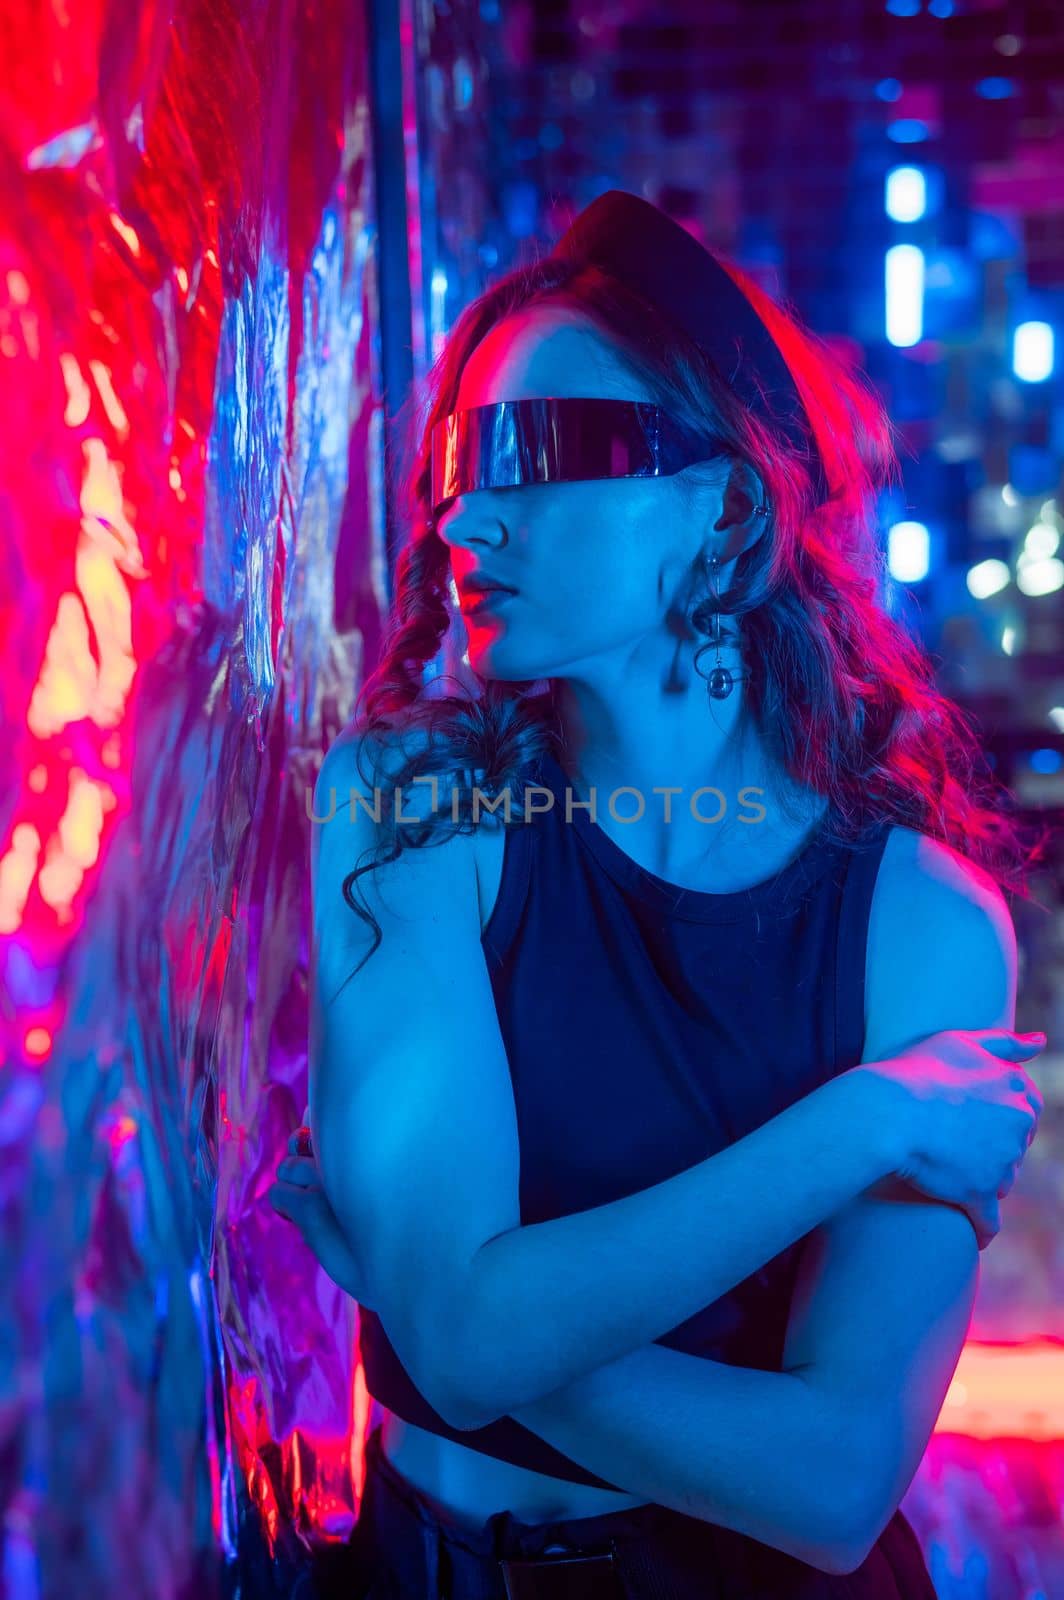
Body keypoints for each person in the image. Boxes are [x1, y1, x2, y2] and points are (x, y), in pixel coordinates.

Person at [271, 191, 1047, 1598]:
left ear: (726, 505)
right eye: (453, 460)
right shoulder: (408, 807)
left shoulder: (923, 924)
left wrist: (445, 1302)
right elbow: (457, 1340)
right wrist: (859, 1124)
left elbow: (829, 1486)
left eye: (533, 451)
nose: (466, 513)